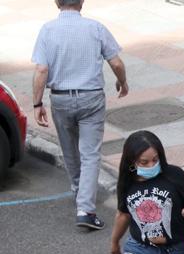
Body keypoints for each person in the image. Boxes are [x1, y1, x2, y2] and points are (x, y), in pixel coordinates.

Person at [32, 0, 129, 230]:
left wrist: (37, 103)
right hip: (91, 97)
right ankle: (86, 208)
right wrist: (122, 81)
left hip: (61, 98)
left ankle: (79, 191)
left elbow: (41, 69)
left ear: (56, 2)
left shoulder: (47, 30)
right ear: (82, 1)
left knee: (69, 149)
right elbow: (115, 62)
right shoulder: (96, 28)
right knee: (90, 153)